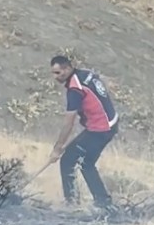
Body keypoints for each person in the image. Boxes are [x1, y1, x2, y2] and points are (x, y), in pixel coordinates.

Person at [48, 55, 119, 210]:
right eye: (53, 73)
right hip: (110, 123)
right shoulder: (86, 74)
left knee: (68, 161)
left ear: (67, 69)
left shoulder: (75, 89)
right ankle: (103, 202)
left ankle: (72, 204)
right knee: (86, 163)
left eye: (58, 73)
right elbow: (101, 82)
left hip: (100, 129)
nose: (56, 77)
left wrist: (57, 148)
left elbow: (69, 123)